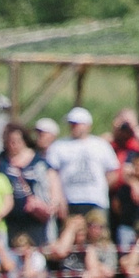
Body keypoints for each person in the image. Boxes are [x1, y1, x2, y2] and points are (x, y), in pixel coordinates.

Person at [47, 105, 120, 250]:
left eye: (77, 123)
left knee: (98, 238)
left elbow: (113, 172)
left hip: (95, 200)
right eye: (71, 123)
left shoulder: (101, 145)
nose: (73, 127)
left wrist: (101, 187)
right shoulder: (59, 146)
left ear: (87, 125)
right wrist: (58, 199)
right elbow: (53, 174)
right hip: (70, 200)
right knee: (70, 238)